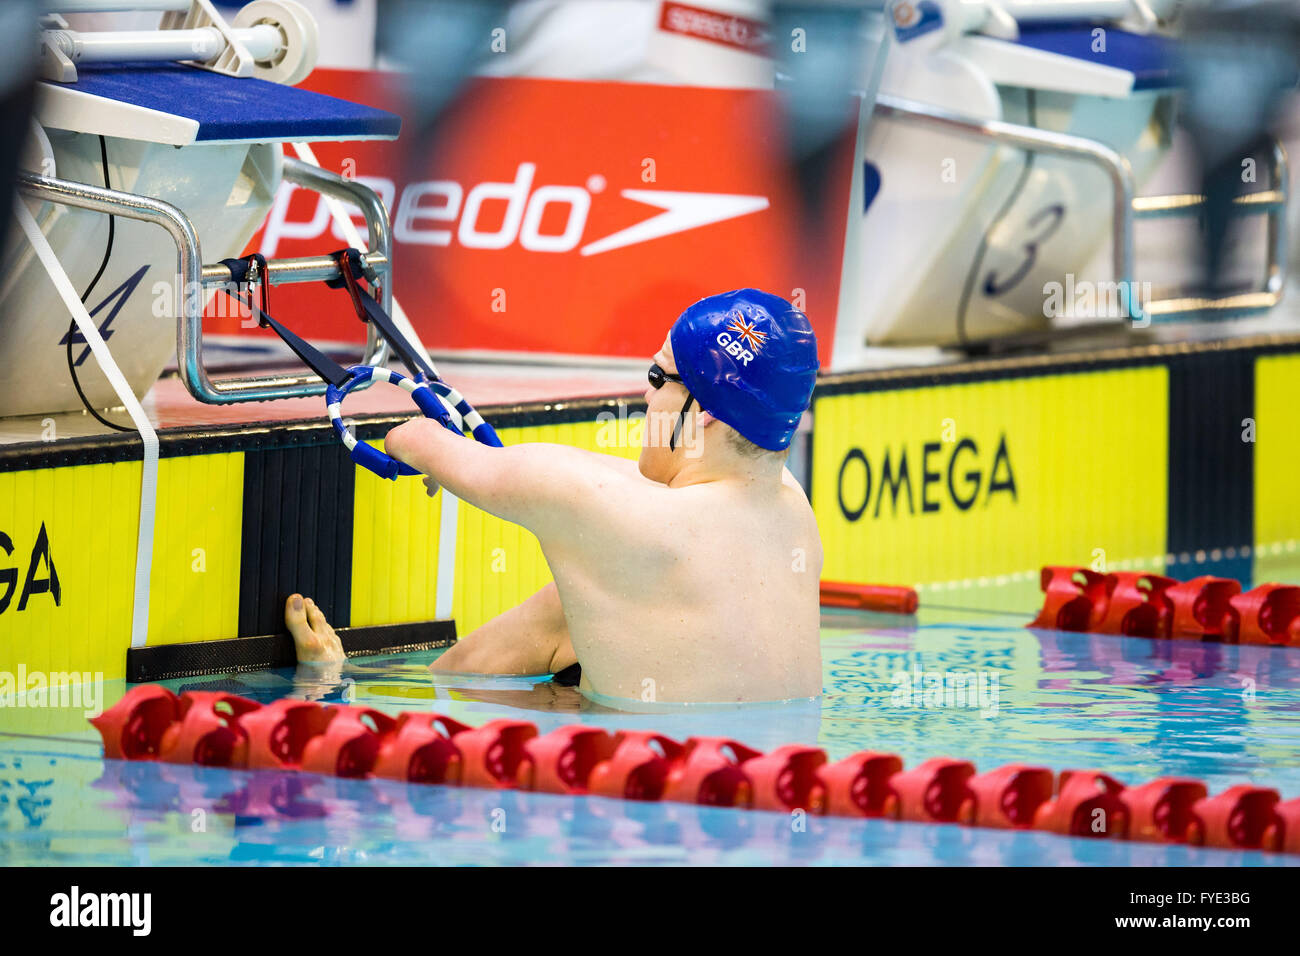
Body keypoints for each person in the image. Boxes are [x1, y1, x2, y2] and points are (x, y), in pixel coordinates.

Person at [286, 289, 823, 704]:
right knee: (576, 606)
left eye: (659, 375)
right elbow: (617, 488)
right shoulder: (792, 507)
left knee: (586, 596)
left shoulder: (607, 511)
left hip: (640, 805)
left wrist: (440, 449)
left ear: (703, 410)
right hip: (768, 785)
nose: (644, 393)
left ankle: (335, 685)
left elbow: (409, 437)